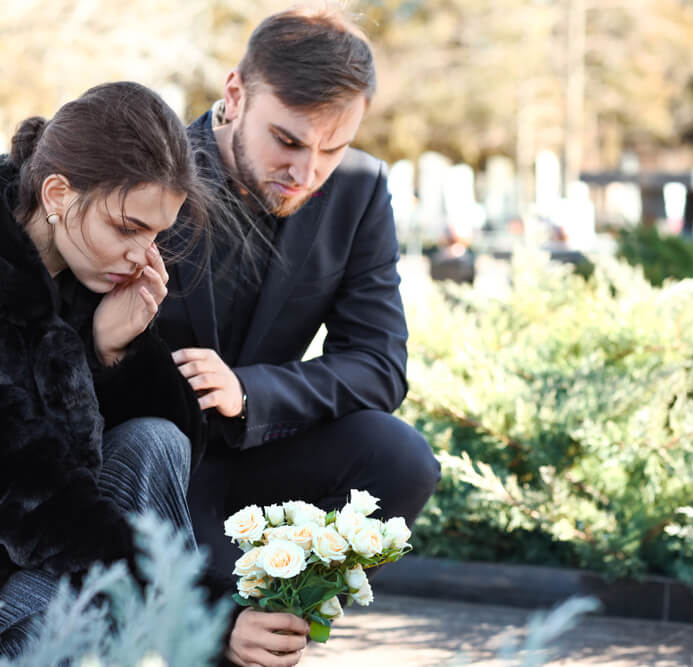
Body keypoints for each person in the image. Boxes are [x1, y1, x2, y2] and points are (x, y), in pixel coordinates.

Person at [0, 81, 312, 662]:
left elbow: (178, 448)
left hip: (48, 570)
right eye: (129, 228)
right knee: (105, 602)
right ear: (57, 193)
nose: (143, 254)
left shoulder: (89, 274)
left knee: (154, 440)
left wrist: (114, 351)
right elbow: (35, 507)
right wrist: (208, 616)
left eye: (157, 234)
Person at [157, 9, 441, 665]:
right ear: (235, 95)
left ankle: (276, 617)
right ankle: (217, 628)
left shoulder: (360, 189)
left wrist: (250, 394)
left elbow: (378, 364)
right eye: (286, 140)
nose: (307, 171)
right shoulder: (149, 164)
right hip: (145, 459)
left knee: (401, 458)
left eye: (332, 147)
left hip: (259, 451)